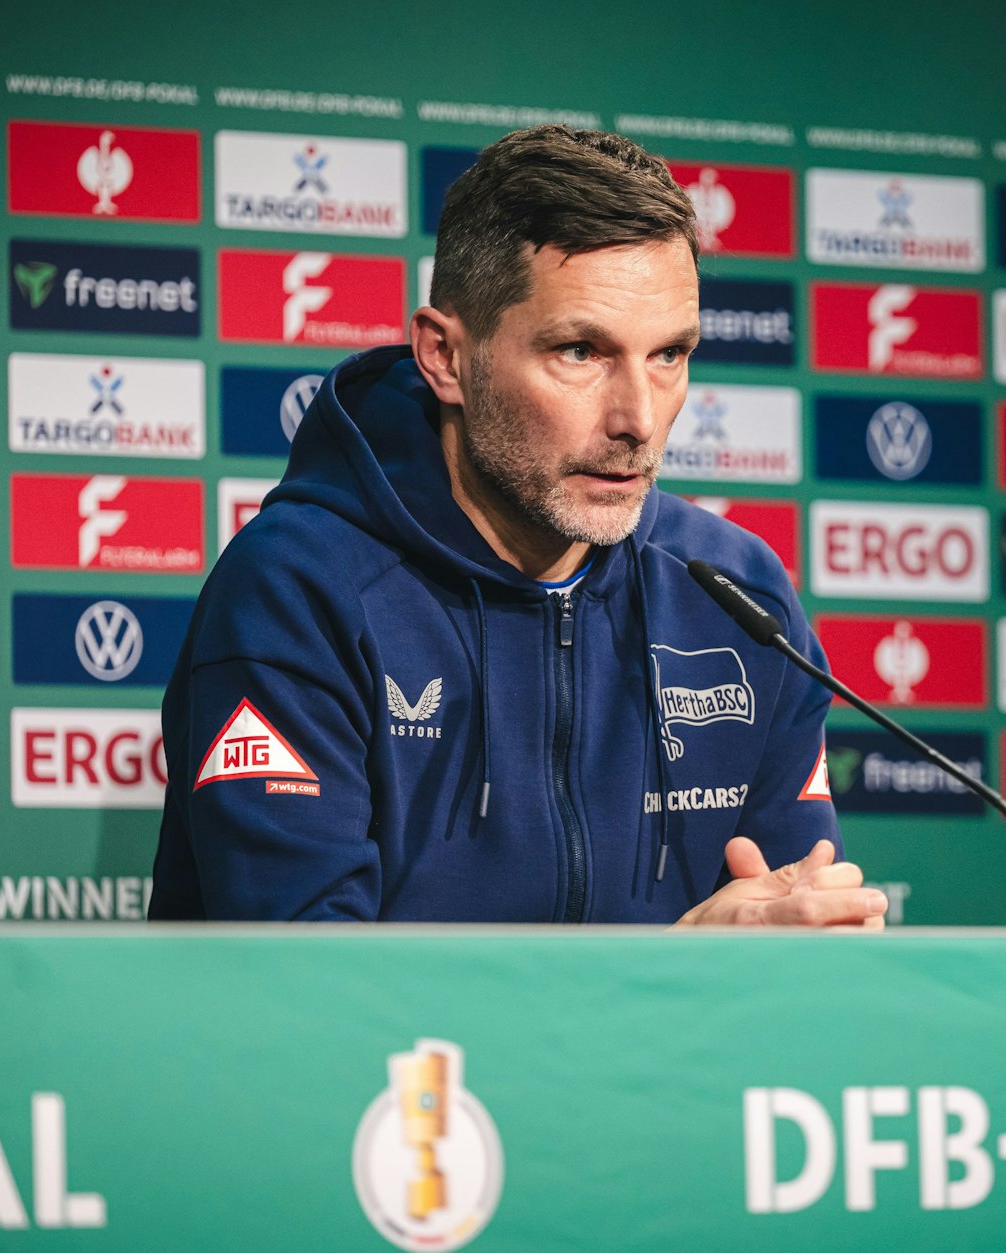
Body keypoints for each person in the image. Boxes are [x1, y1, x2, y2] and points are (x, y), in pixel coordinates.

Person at [149, 125, 885, 929]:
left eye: (669, 354)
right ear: (445, 357)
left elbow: (797, 951)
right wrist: (671, 972)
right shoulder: (299, 590)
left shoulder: (737, 598)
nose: (638, 419)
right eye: (580, 351)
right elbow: (309, 998)